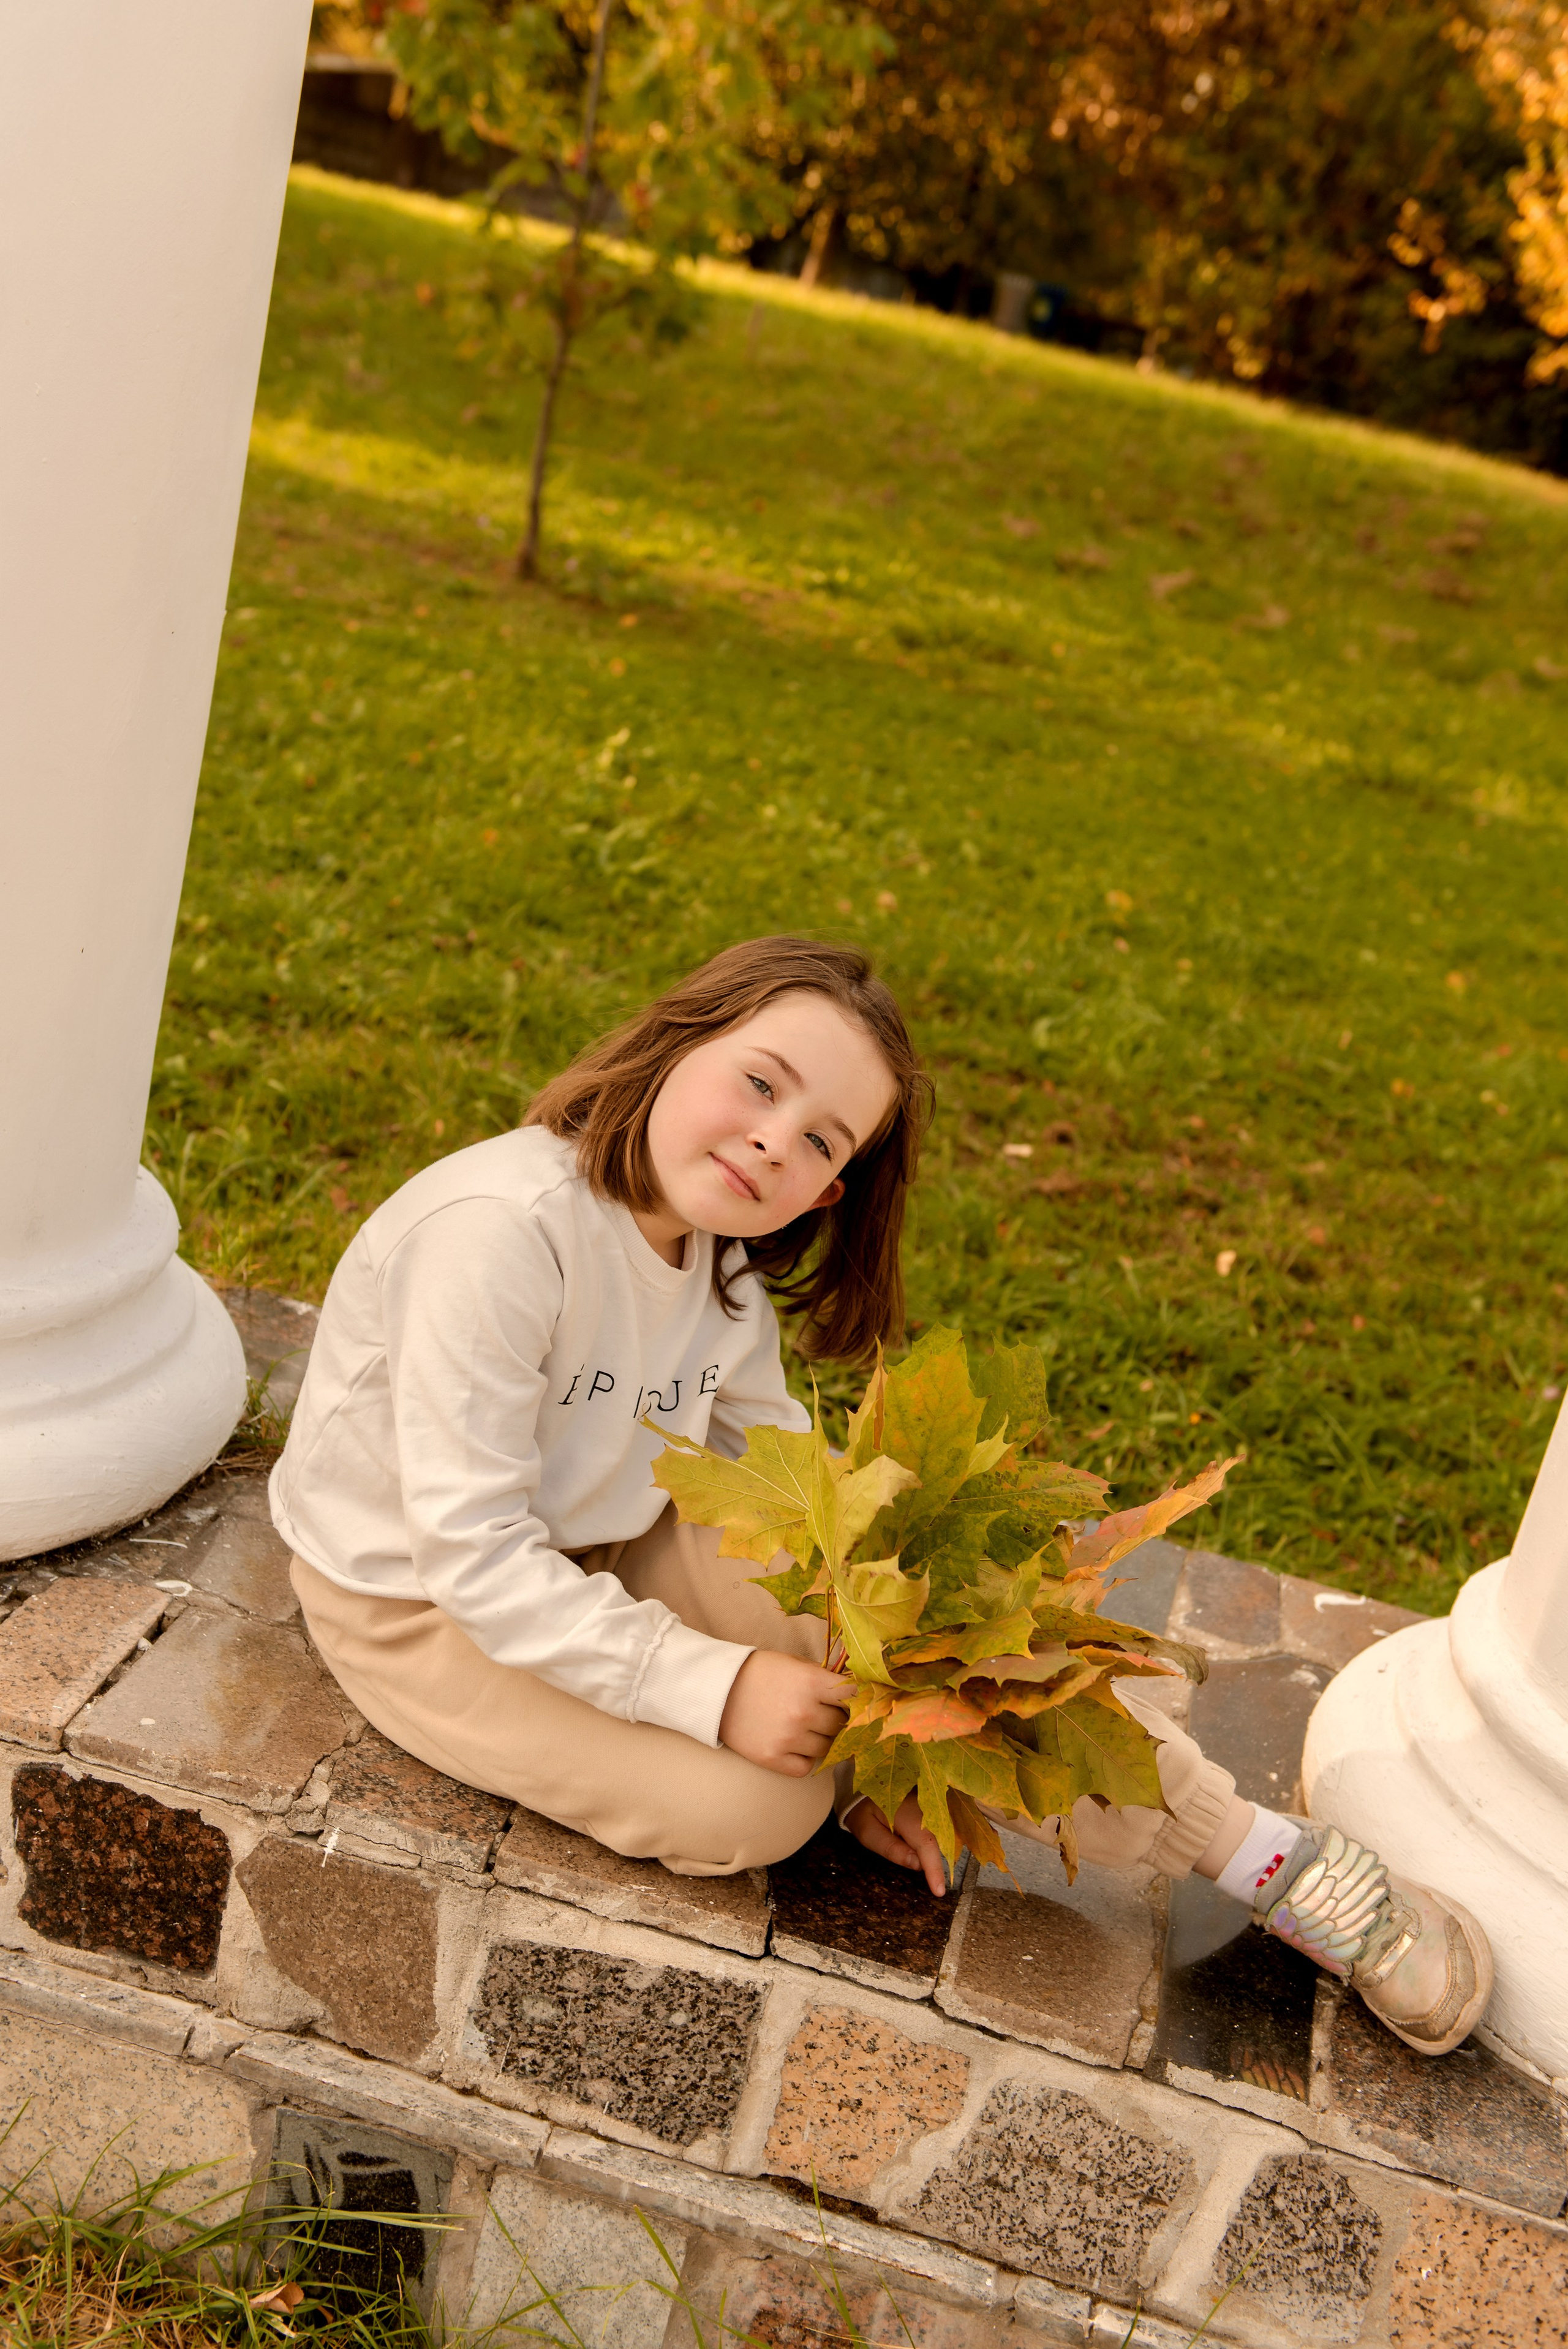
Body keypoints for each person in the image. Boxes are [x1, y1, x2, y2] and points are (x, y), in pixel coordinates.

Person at [271, 934, 1491, 2059]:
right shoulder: (497, 1234)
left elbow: (812, 1506)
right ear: (669, 1043)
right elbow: (475, 1559)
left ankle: (1266, 1858)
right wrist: (722, 1683)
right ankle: (862, 1774)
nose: (773, 1140)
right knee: (763, 1800)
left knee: (928, 1611)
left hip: (610, 1544)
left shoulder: (720, 1277)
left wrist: (899, 1633)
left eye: (820, 1141)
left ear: (825, 1196)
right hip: (416, 1603)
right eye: (758, 1084)